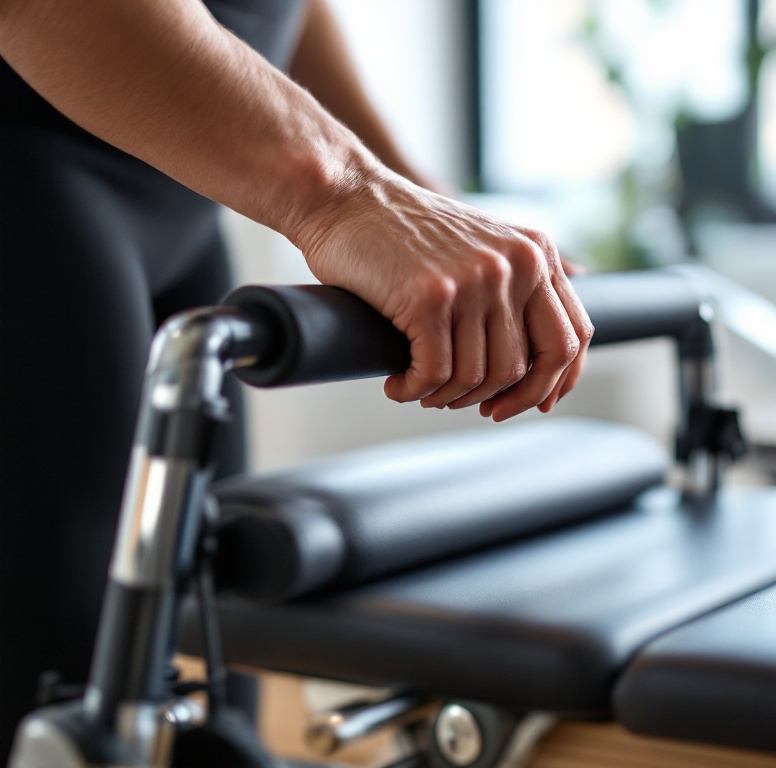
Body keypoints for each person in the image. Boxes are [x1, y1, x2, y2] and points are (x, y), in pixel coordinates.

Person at [0, 0, 593, 759]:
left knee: (214, 666)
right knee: (67, 677)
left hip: (175, 213)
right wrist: (347, 193)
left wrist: (416, 195)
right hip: (28, 184)